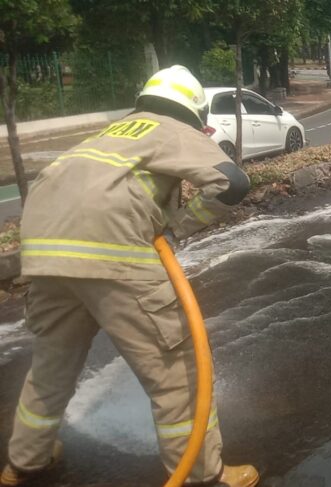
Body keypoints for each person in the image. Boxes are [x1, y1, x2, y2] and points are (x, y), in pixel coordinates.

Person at [0, 66, 258, 487]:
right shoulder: (172, 128)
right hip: (114, 248)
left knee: (51, 365)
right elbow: (232, 183)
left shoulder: (111, 132)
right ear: (194, 112)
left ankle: (26, 462)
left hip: (44, 251)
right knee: (180, 375)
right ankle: (201, 475)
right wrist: (175, 230)